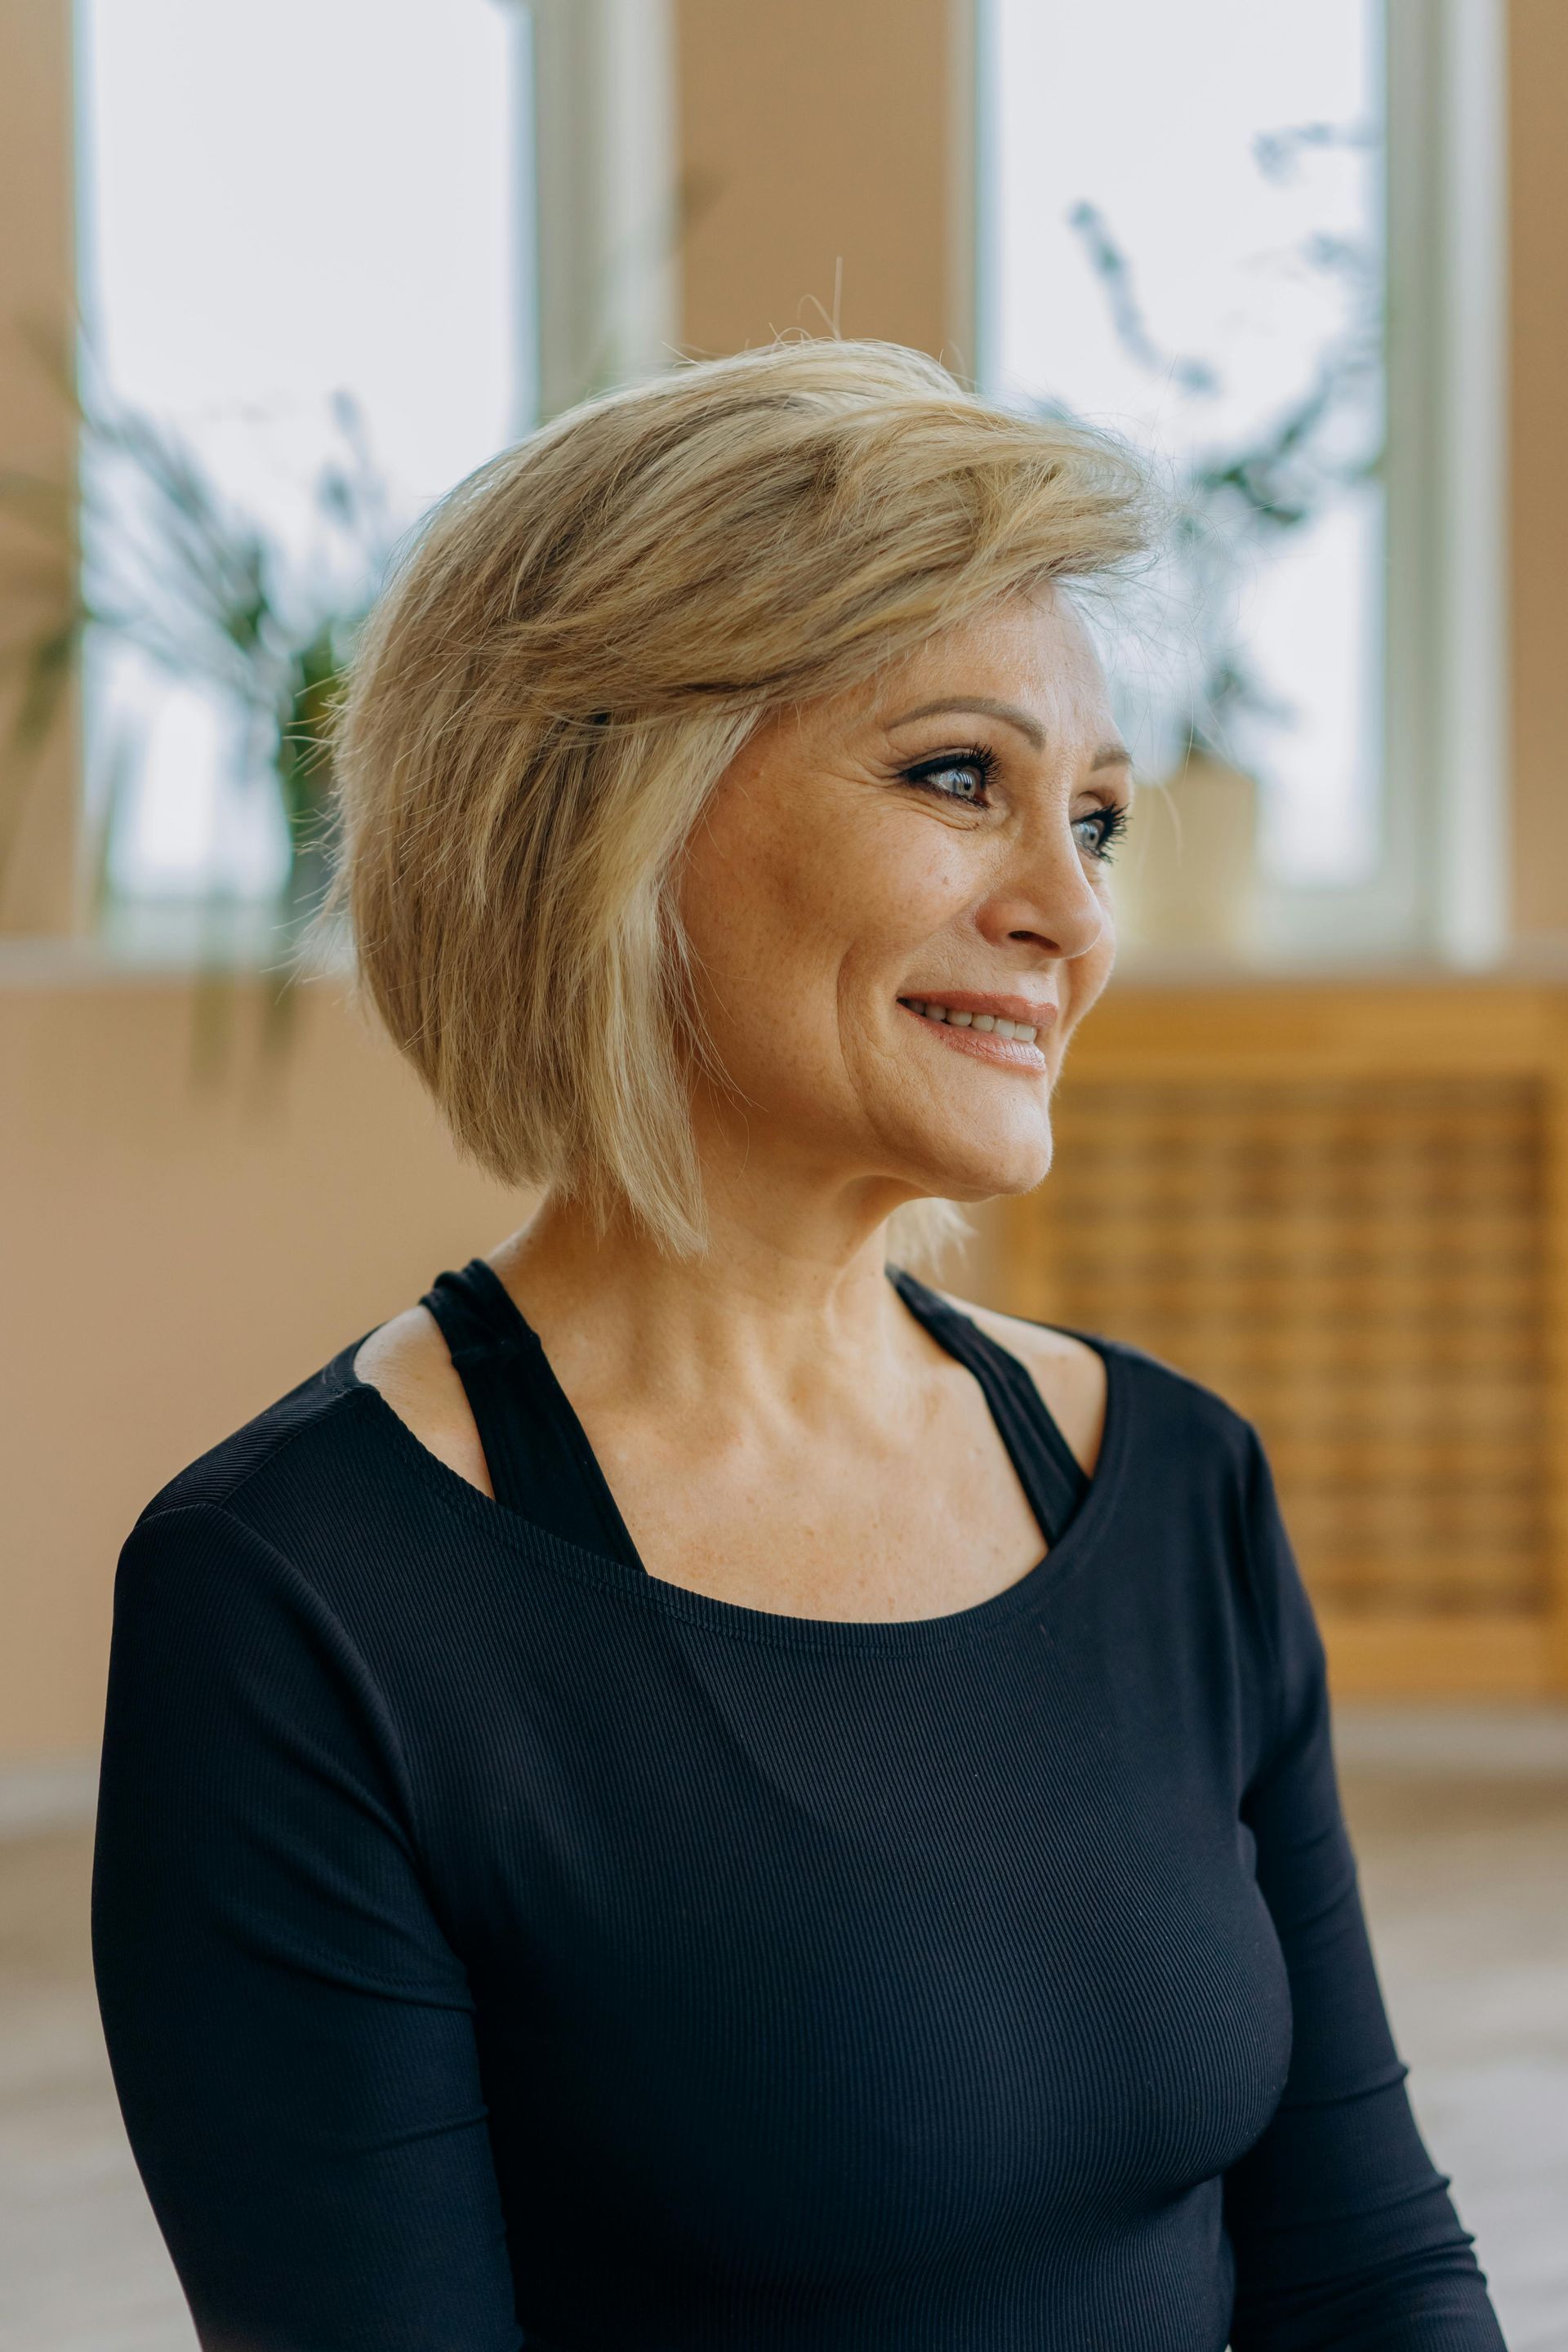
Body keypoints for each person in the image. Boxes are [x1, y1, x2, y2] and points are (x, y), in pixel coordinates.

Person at [91, 340, 1506, 2351]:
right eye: (959, 780)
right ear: (612, 815)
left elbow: (1362, 2267)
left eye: (1093, 822)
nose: (1067, 917)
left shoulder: (1172, 1482)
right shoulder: (301, 1600)